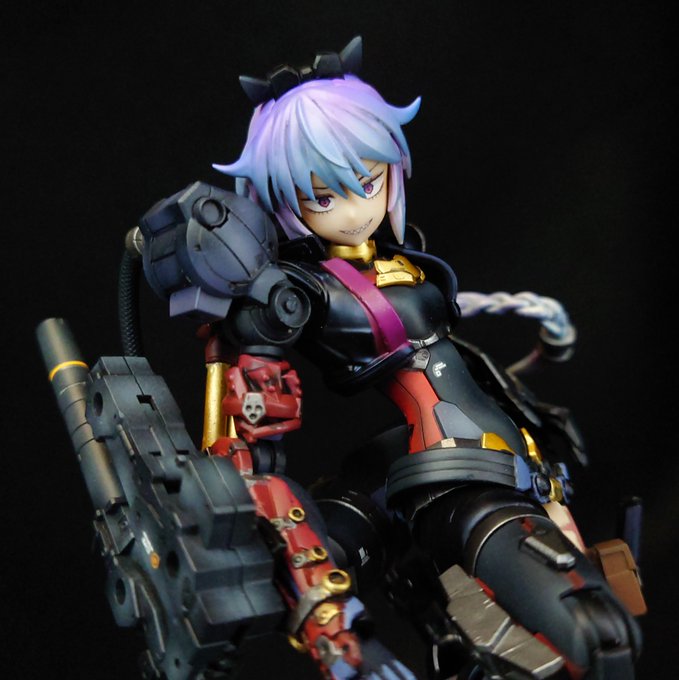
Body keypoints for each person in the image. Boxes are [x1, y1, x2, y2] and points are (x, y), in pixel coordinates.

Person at [138, 36, 645, 679]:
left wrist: (535, 452)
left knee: (591, 635)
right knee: (595, 634)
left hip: (496, 462)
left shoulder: (402, 258)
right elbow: (250, 436)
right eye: (322, 197)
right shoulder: (295, 293)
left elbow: (455, 367)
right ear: (282, 203)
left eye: (369, 181)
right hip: (441, 479)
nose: (354, 210)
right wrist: (264, 519)